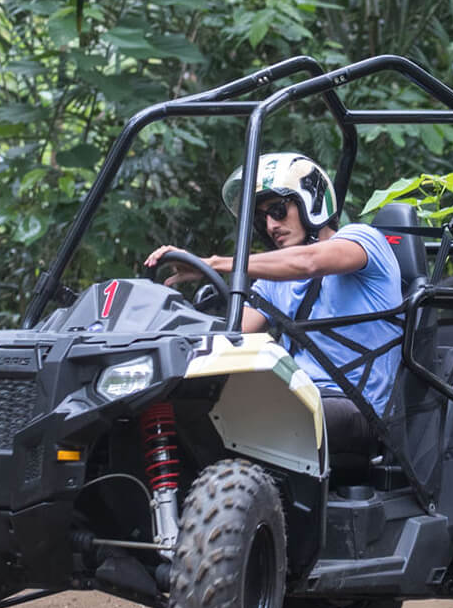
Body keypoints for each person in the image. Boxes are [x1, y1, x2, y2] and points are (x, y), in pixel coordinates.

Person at [146, 152, 403, 444]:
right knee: (180, 412)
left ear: (311, 201)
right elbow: (229, 336)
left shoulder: (365, 239)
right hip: (294, 395)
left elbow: (309, 262)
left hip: (354, 406)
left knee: (242, 422)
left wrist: (214, 263)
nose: (270, 226)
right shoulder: (272, 284)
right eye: (261, 218)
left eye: (278, 210)